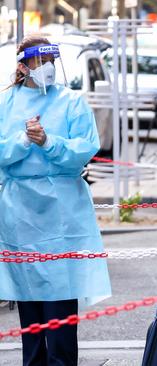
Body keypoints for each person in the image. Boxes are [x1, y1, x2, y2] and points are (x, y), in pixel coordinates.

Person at [0, 36, 111, 364]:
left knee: (60, 308)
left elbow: (84, 149)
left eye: (52, 60)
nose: (47, 68)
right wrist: (23, 140)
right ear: (23, 65)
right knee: (30, 309)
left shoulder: (73, 102)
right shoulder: (6, 105)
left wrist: (50, 142)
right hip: (20, 214)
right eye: (40, 61)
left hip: (62, 214)